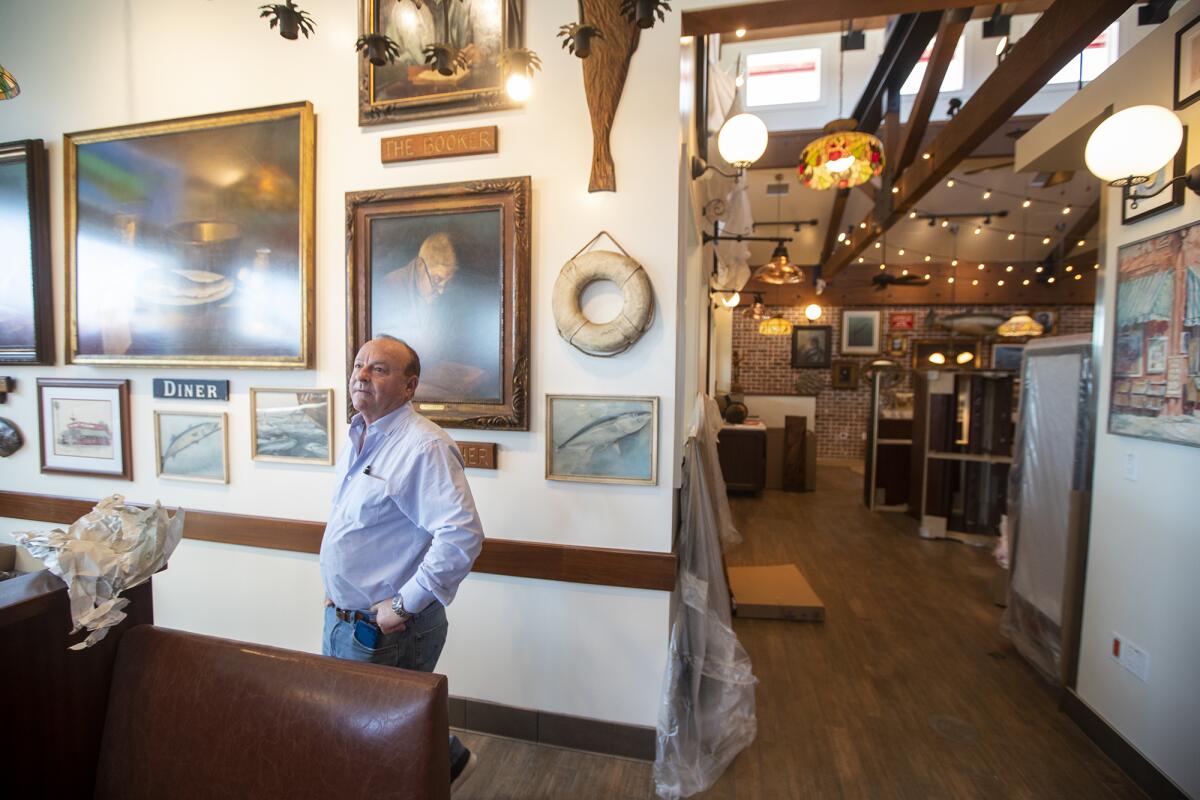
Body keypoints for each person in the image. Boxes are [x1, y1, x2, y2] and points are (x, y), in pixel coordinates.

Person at [320, 334, 485, 793]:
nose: (362, 375)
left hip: (386, 628)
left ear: (409, 386)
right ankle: (446, 759)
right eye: (359, 365)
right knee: (363, 732)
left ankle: (443, 763)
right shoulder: (358, 433)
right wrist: (338, 586)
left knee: (374, 746)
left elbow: (462, 535)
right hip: (345, 616)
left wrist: (402, 605)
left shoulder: (423, 446)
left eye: (379, 369)